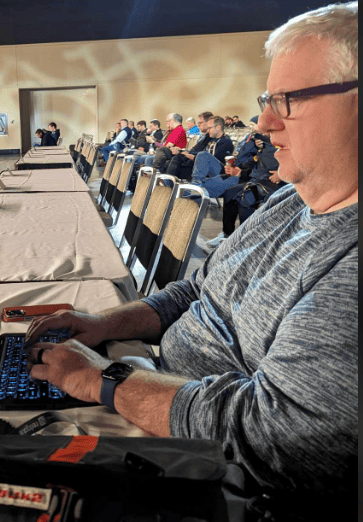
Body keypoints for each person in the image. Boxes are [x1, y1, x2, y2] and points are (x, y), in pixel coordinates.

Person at [24, 1, 357, 505]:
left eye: (286, 99)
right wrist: (105, 326)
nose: (264, 123)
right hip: (157, 389)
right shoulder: (292, 199)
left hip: (218, 474)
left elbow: (280, 437)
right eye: (266, 98)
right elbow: (199, 290)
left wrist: (105, 380)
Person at [207, 132, 287, 247]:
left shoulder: (284, 141)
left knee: (246, 197)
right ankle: (227, 234)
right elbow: (248, 163)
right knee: (230, 192)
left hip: (276, 182)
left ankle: (246, 240)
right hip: (258, 179)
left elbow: (298, 161)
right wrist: (240, 169)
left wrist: (281, 173)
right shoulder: (262, 146)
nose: (260, 135)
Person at [187, 115, 234, 195]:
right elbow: (195, 151)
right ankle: (171, 184)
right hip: (207, 168)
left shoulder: (226, 142)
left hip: (221, 170)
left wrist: (195, 156)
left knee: (202, 155)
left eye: (210, 128)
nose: (208, 131)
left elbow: (214, 159)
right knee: (183, 158)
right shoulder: (210, 139)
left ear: (218, 127)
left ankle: (196, 184)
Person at [164, 111, 213, 179]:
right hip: (193, 156)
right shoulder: (205, 136)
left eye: (200, 123)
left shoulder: (179, 130)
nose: (198, 125)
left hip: (200, 161)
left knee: (172, 157)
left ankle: (167, 182)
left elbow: (204, 154)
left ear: (208, 123)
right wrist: (185, 152)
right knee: (169, 160)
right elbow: (195, 148)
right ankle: (166, 182)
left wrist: (187, 153)